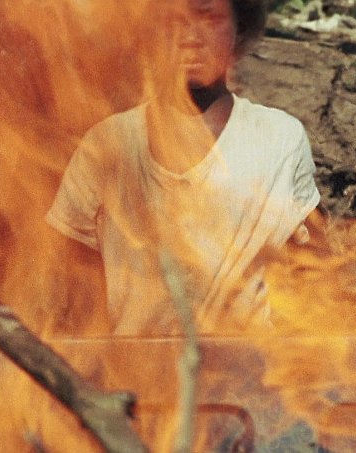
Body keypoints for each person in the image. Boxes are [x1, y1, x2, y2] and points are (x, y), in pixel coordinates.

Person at [46, 0, 321, 336]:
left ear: (239, 30)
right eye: (174, 21)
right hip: (134, 363)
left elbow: (310, 278)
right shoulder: (108, 143)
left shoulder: (279, 139)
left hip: (245, 362)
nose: (191, 37)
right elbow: (71, 282)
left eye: (209, 18)